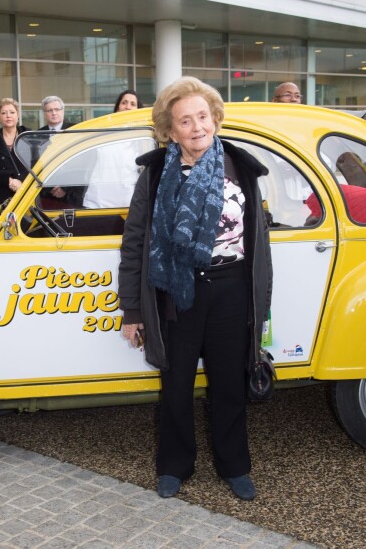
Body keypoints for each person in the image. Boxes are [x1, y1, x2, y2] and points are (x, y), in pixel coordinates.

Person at [118, 76, 272, 501]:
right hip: (176, 292)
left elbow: (260, 242)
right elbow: (134, 244)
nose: (197, 127)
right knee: (176, 384)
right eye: (185, 121)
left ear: (216, 119)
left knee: (229, 383)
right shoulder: (153, 175)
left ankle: (235, 466)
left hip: (231, 289)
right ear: (170, 131)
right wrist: (132, 311)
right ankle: (174, 465)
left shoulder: (242, 166)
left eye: (203, 116)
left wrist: (263, 305)